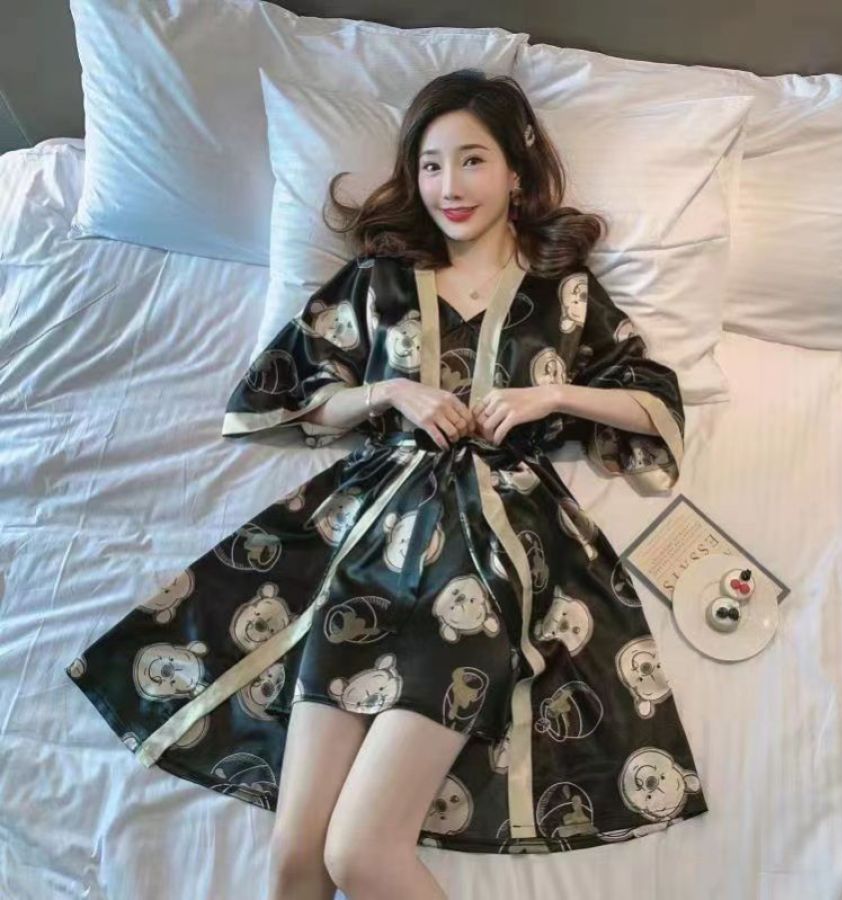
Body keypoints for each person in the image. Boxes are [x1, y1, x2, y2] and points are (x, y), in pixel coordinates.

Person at [66, 69, 706, 900]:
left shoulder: (566, 291)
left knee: (361, 855)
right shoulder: (381, 280)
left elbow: (652, 401)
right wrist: (388, 392)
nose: (450, 187)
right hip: (369, 540)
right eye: (431, 166)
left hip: (494, 552)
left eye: (472, 161)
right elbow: (287, 392)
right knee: (295, 857)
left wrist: (550, 396)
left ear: (517, 171)